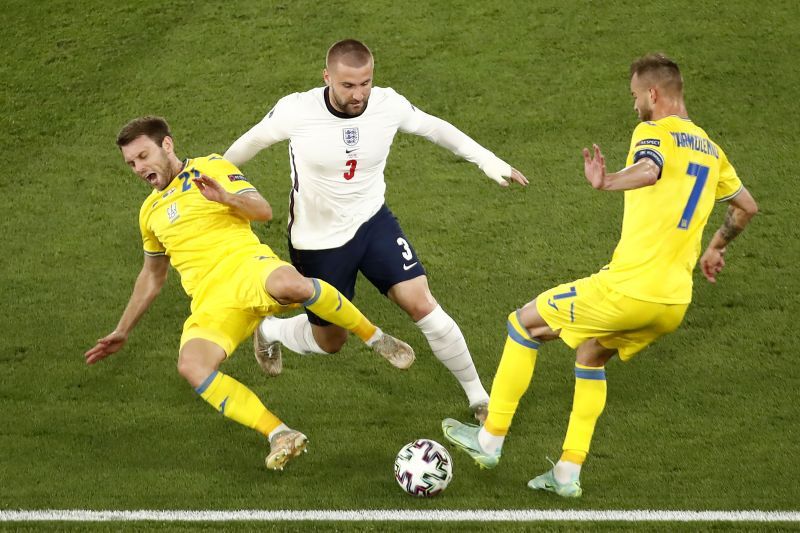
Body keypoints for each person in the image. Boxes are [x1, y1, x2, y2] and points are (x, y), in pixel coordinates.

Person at [442, 53, 758, 497]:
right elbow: (746, 207)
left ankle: (489, 439)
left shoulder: (653, 131)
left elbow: (650, 170)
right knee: (590, 355)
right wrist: (716, 248)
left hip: (629, 288)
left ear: (653, 93)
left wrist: (607, 181)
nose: (633, 106)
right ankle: (568, 474)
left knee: (523, 323)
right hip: (673, 303)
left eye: (634, 96)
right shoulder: (712, 149)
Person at [85, 116, 415, 471]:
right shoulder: (148, 214)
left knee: (294, 286)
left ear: (167, 145)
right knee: (192, 366)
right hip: (211, 300)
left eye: (143, 155)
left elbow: (263, 210)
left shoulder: (210, 168)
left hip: (247, 268)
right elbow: (152, 276)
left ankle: (375, 338)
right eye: (131, 163)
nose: (138, 168)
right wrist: (123, 329)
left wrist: (226, 198)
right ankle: (280, 433)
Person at [224, 39, 528, 422]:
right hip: (318, 243)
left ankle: (479, 398)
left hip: (372, 222)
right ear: (327, 77)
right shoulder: (297, 111)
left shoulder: (387, 104)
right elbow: (247, 145)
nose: (359, 94)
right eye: (348, 85)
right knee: (331, 342)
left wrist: (486, 160)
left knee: (421, 302)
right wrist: (211, 183)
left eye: (365, 82)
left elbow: (436, 128)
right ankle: (272, 330)